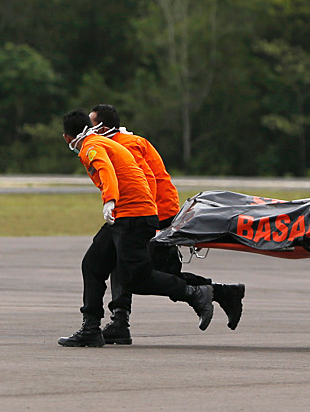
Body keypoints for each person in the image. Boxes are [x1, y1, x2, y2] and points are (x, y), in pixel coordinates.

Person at [88, 104, 245, 345]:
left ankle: (222, 292)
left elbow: (146, 181)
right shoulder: (123, 141)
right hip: (148, 212)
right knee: (122, 263)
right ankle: (120, 321)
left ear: (104, 128)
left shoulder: (125, 144)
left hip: (153, 214)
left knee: (147, 274)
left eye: (91, 126)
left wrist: (142, 217)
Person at [58, 109, 214, 347]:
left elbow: (105, 169)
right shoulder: (100, 140)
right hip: (128, 214)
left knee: (136, 278)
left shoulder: (91, 147)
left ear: (66, 137)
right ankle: (90, 328)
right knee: (93, 264)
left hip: (133, 216)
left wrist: (109, 199)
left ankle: (195, 293)